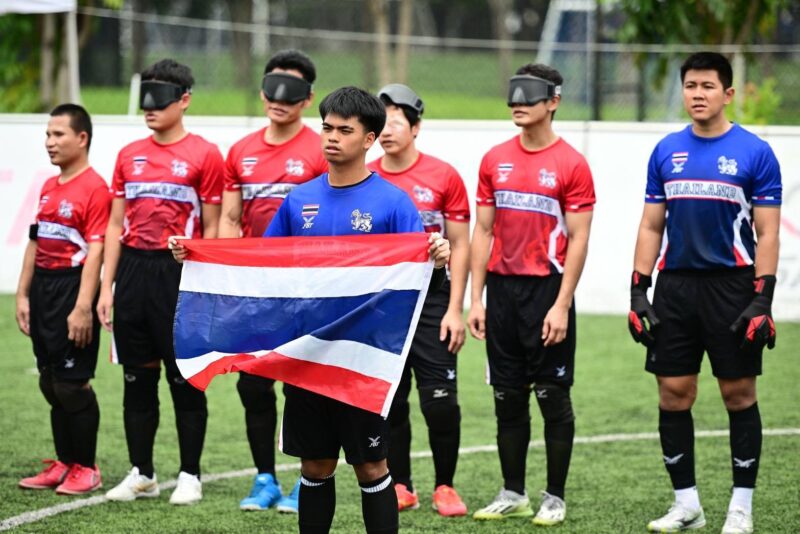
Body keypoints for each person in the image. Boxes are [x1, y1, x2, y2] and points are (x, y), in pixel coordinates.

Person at [263, 86, 449, 534]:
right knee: (315, 464)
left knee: (370, 466)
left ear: (369, 139)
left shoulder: (393, 203)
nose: (332, 137)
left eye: (344, 130)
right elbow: (264, 267)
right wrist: (199, 258)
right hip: (308, 353)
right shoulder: (297, 200)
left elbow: (418, 282)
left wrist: (438, 263)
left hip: (364, 358)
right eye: (326, 127)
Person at [629, 52, 782, 534]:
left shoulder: (755, 152)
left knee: (738, 394)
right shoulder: (666, 151)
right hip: (675, 287)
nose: (698, 94)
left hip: (733, 287)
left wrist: (763, 298)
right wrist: (638, 290)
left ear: (728, 93)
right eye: (691, 85)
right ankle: (687, 505)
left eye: (708, 86)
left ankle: (741, 508)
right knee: (674, 393)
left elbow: (768, 232)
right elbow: (651, 225)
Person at [467, 64, 595, 526]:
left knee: (551, 396)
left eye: (529, 95)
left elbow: (579, 238)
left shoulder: (572, 164)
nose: (517, 103)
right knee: (507, 397)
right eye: (513, 95)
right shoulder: (493, 159)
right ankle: (512, 492)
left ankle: (554, 496)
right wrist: (476, 299)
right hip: (502, 292)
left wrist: (562, 304)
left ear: (553, 101)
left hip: (547, 291)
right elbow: (483, 231)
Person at [97, 59, 224, 505]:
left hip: (179, 275)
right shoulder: (127, 154)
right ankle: (143, 473)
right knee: (137, 379)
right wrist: (106, 287)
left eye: (160, 98)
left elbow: (212, 227)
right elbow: (115, 224)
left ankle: (190, 475)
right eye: (145, 98)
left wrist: (206, 283)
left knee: (184, 377)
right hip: (133, 273)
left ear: (184, 100)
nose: (150, 108)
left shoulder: (205, 154)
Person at [219, 49, 327, 514]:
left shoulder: (321, 150)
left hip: (306, 291)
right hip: (256, 291)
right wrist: (230, 276)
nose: (279, 98)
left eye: (291, 90)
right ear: (262, 92)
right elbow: (229, 218)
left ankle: (308, 480)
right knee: (253, 385)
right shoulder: (240, 151)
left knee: (304, 386)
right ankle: (264, 478)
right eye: (272, 87)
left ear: (308, 99)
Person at [367, 83, 470, 517]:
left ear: (415, 127)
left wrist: (455, 309)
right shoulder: (364, 176)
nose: (387, 130)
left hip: (433, 303)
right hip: (383, 305)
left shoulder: (444, 176)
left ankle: (445, 485)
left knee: (440, 403)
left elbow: (460, 244)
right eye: (381, 122)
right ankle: (401, 484)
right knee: (392, 400)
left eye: (395, 121)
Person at [15, 104, 110, 495]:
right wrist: (23, 293)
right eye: (47, 134)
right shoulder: (49, 186)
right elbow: (34, 242)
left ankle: (87, 467)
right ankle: (65, 462)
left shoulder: (96, 188)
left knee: (72, 384)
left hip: (72, 289)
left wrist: (83, 306)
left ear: (81, 138)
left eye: (58, 134)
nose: (49, 142)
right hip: (43, 289)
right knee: (50, 381)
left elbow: (97, 251)